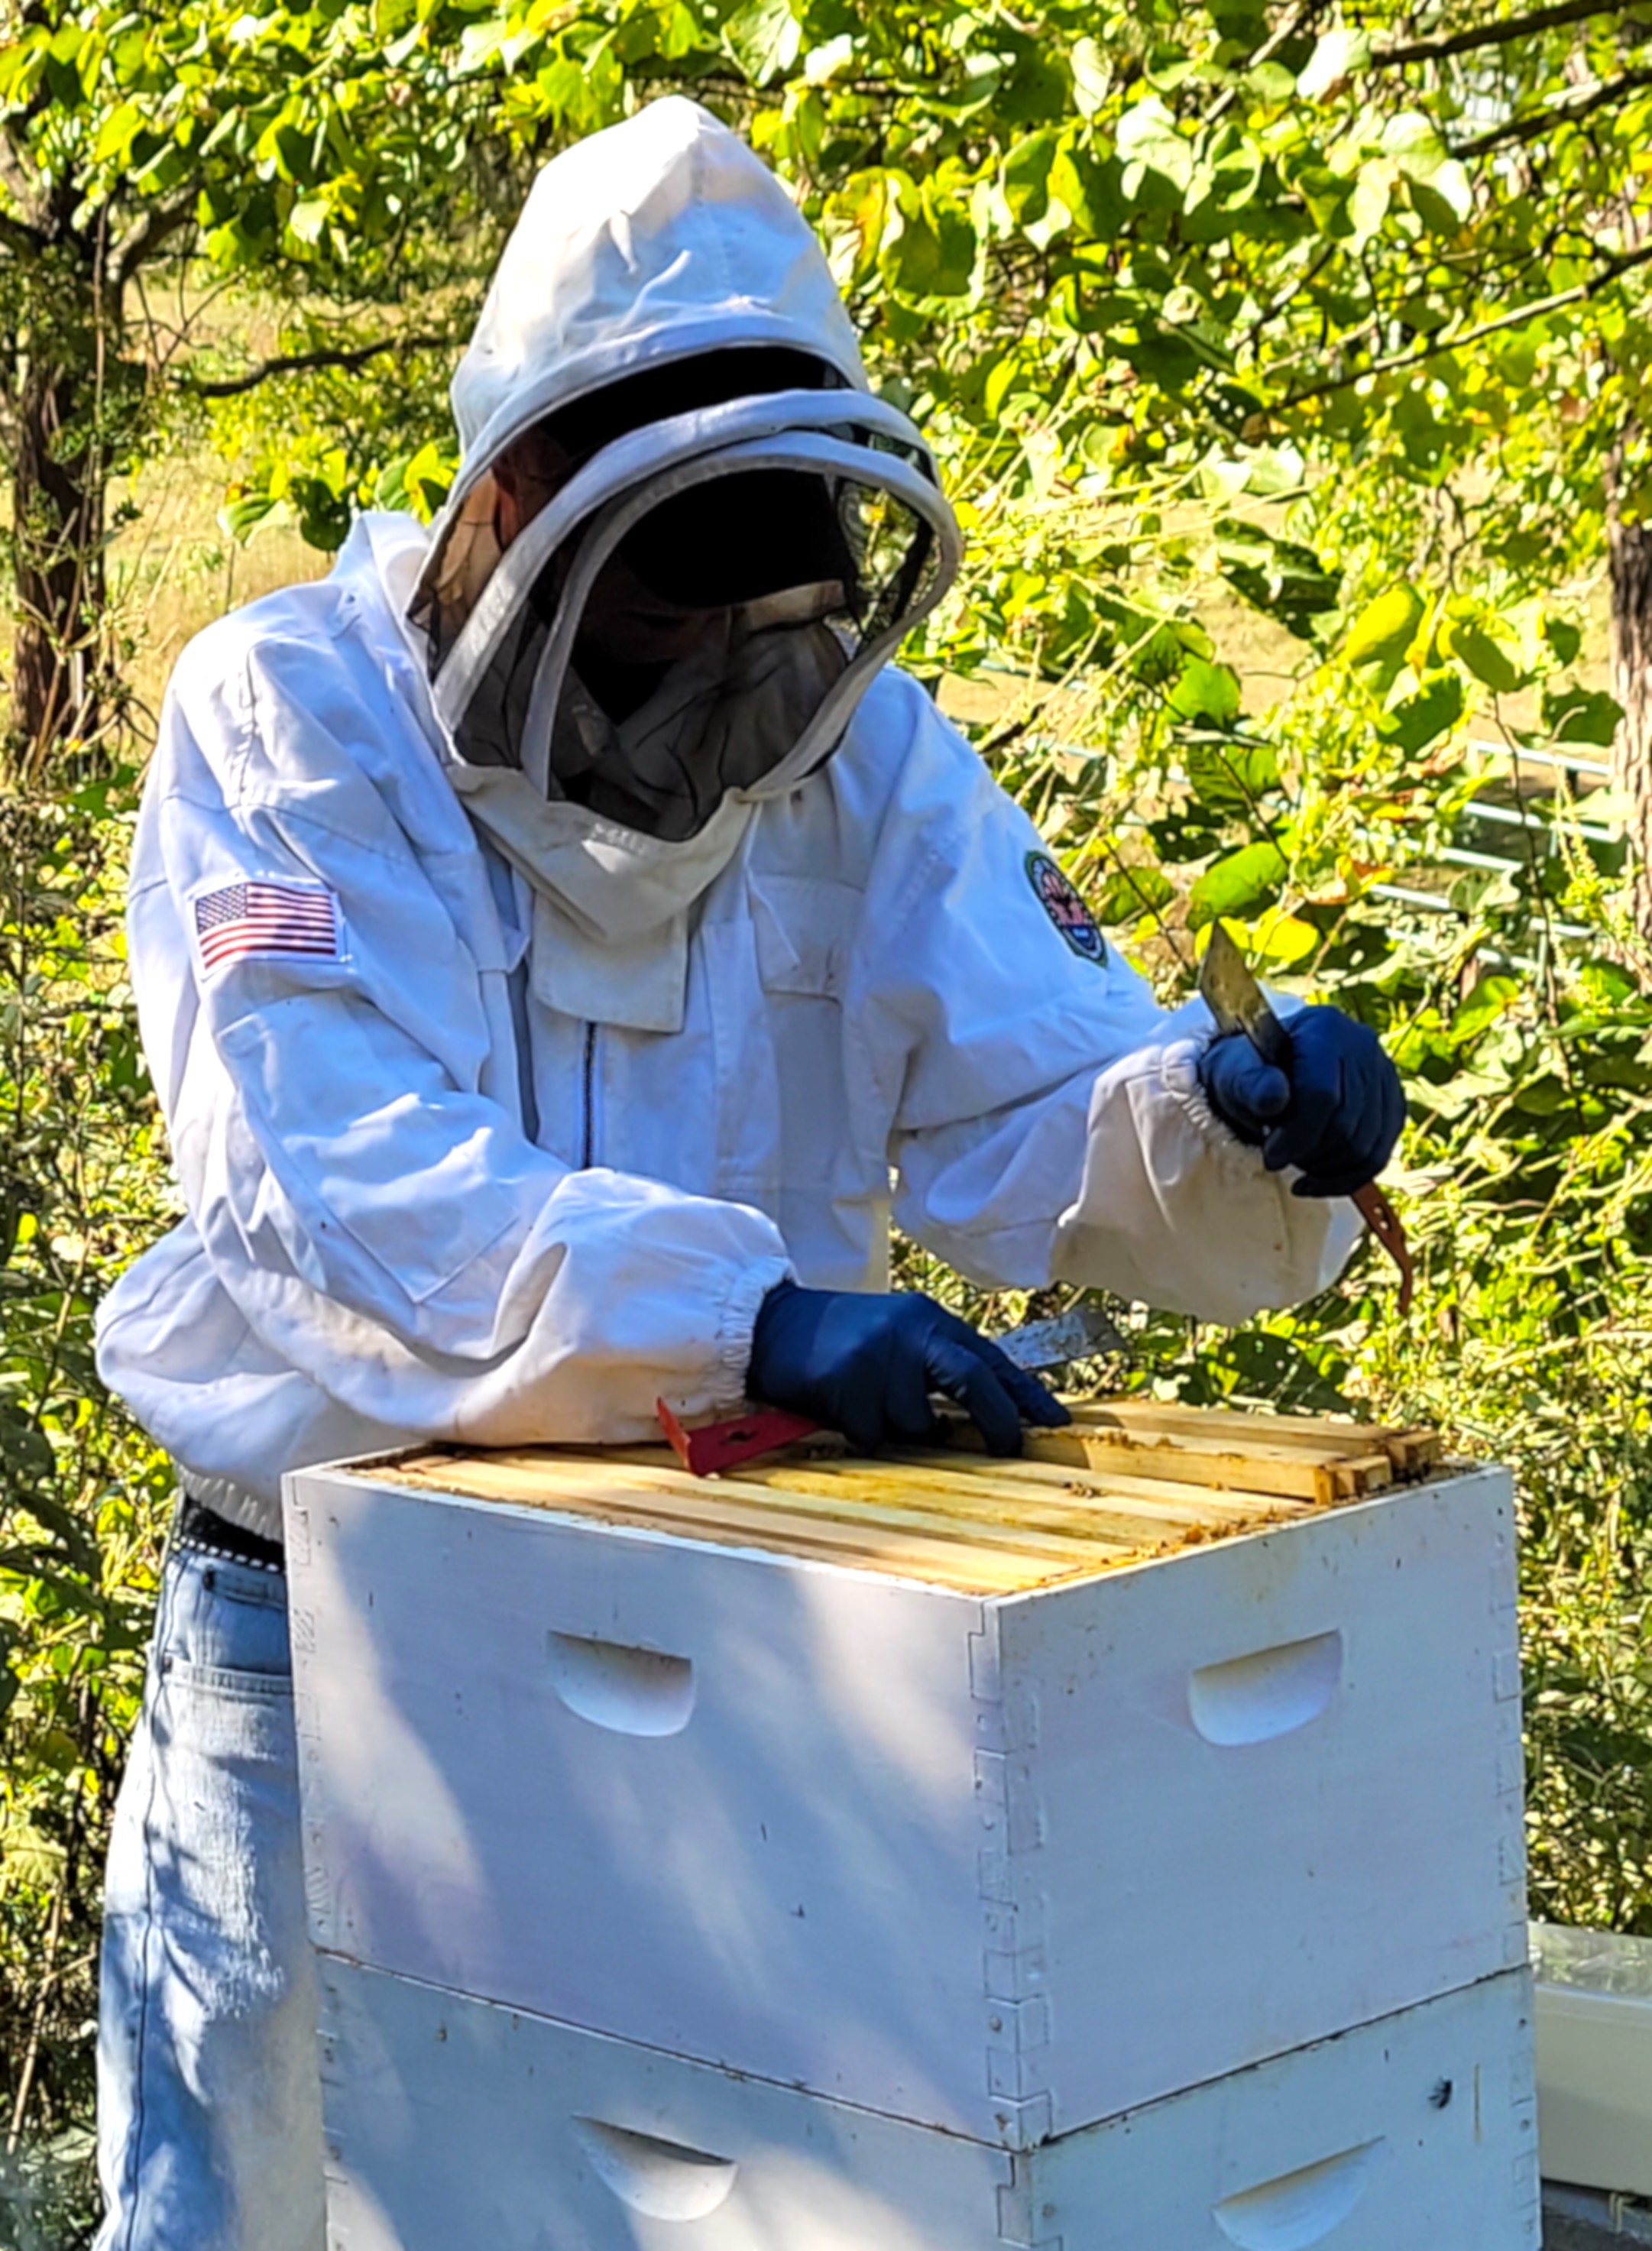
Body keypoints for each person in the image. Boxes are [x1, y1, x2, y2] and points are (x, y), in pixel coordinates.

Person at [89, 96, 1404, 2251]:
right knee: (230, 2209)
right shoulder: (287, 720)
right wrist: (757, 1321)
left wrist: (1216, 1124)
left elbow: (1026, 1115)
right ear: (507, 507)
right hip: (316, 1631)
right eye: (645, 618)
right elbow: (327, 1186)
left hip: (741, 1610)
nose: (696, 690)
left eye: (740, 617)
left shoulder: (853, 757)